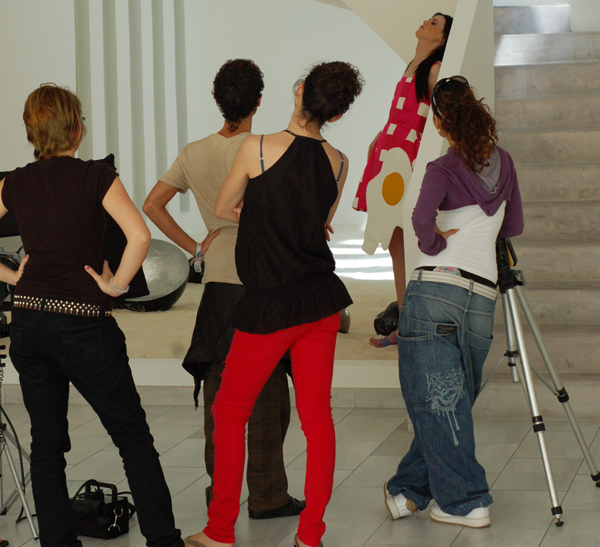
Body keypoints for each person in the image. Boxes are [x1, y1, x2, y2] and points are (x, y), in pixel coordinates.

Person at [184, 61, 363, 547]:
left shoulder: (257, 147)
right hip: (320, 302)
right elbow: (319, 222)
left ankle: (220, 530)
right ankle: (310, 536)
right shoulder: (340, 161)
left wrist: (258, 211)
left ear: (299, 91)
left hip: (270, 304)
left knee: (229, 413)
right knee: (317, 420)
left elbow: (223, 208)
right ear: (337, 114)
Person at [0, 84, 184, 547]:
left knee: (46, 446)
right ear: (77, 128)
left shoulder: (15, 182)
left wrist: (14, 277)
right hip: (82, 323)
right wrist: (116, 286)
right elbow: (139, 236)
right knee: (132, 438)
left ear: (31, 131)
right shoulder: (95, 176)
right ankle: (164, 541)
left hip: (29, 324)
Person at [143, 58, 304, 520]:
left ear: (218, 101)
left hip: (218, 283)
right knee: (268, 394)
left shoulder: (194, 153)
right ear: (258, 101)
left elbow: (153, 205)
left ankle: (222, 495)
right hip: (264, 280)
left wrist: (196, 246)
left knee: (220, 398)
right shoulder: (267, 148)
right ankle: (268, 496)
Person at [384, 75, 524, 529]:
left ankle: (465, 502)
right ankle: (407, 490)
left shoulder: (442, 168)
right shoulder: (504, 163)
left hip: (435, 292)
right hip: (481, 300)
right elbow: (513, 227)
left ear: (441, 124)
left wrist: (436, 242)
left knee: (438, 402)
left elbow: (420, 220)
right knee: (449, 402)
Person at [353, 12, 453, 339]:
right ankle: (406, 318)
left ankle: (412, 321)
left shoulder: (434, 70)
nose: (426, 22)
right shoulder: (413, 66)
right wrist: (378, 138)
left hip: (407, 158)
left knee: (404, 237)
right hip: (389, 152)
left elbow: (439, 120)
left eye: (434, 23)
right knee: (394, 239)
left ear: (442, 39)